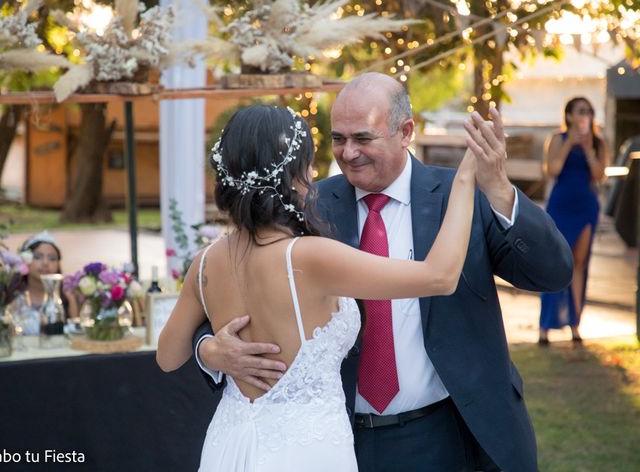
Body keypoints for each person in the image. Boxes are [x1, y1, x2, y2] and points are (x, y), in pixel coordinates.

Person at [193, 73, 573, 472]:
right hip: (336, 441)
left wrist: (498, 189)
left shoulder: (460, 195)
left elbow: (552, 272)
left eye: (363, 138)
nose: (348, 152)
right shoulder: (306, 205)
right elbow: (230, 287)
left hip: (449, 432)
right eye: (338, 139)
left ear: (405, 131)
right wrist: (209, 350)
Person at [157, 104, 481, 471]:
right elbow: (439, 277)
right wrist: (466, 180)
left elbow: (167, 357)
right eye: (307, 164)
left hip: (228, 442)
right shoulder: (309, 258)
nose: (312, 174)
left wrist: (210, 350)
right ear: (293, 175)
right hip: (304, 450)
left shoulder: (204, 262)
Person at [540, 97, 610, 345]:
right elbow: (552, 170)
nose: (585, 115)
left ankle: (575, 324)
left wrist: (589, 149)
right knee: (555, 262)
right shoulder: (556, 140)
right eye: (580, 111)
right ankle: (545, 327)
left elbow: (600, 175)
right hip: (560, 206)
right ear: (569, 115)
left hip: (585, 207)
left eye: (588, 111)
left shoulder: (599, 142)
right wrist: (570, 141)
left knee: (579, 265)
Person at [11, 231, 78, 335]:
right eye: (37, 257)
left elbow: (75, 333)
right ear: (25, 260)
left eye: (52, 258)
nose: (45, 263)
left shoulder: (66, 296)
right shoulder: (13, 296)